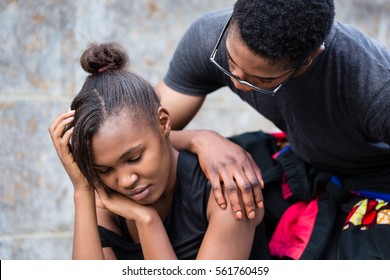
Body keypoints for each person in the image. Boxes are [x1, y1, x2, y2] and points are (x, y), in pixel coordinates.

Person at [155, 0, 390, 259]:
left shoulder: (375, 86)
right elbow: (143, 135)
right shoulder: (209, 35)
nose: (238, 81)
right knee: (188, 173)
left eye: (263, 80)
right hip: (302, 158)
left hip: (376, 181)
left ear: (311, 58)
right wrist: (201, 140)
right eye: (231, 61)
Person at [49, 42, 269, 260]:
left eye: (134, 158)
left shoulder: (223, 191)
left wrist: (147, 222)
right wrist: (82, 190)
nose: (125, 180)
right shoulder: (108, 202)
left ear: (163, 123)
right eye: (105, 170)